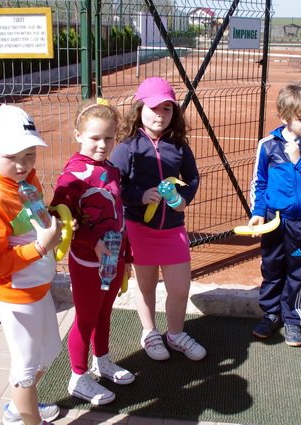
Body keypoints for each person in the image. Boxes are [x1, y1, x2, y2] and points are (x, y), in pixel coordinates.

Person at [0, 104, 64, 425]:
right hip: (14, 296)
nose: (23, 165)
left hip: (37, 288)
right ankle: (26, 416)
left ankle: (19, 407)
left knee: (50, 352)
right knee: (25, 369)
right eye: (12, 157)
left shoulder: (29, 180)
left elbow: (33, 218)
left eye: (29, 155)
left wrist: (52, 221)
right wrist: (41, 246)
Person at [110, 77, 206, 362]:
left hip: (173, 229)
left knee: (179, 287)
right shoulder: (127, 147)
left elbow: (192, 177)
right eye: (154, 108)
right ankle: (150, 332)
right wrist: (140, 195)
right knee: (146, 285)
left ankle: (175, 334)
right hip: (140, 229)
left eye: (167, 109)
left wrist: (183, 199)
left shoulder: (178, 145)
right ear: (139, 108)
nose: (160, 115)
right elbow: (115, 186)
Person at [51, 98, 135, 405]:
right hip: (87, 261)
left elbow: (119, 215)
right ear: (78, 135)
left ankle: (102, 359)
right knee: (85, 318)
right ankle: (78, 375)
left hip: (112, 256)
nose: (102, 145)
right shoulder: (72, 176)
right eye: (94, 138)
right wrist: (93, 242)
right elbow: (62, 219)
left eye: (109, 138)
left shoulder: (111, 170)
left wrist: (126, 256)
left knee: (104, 312)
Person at [248, 81, 301, 347]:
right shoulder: (268, 145)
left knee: (296, 270)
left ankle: (293, 320)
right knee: (272, 268)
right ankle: (271, 314)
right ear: (285, 118)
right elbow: (259, 182)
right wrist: (258, 212)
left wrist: (300, 161)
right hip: (274, 220)